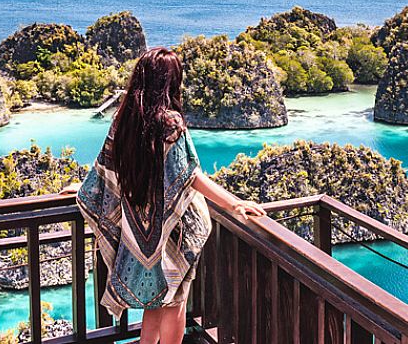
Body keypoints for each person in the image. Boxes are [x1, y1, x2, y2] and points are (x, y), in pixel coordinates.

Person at [61, 47, 265, 344]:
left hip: (140, 228)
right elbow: (190, 176)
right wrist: (235, 203)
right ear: (170, 81)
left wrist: (81, 189)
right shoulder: (170, 122)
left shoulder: (123, 119)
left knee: (155, 301)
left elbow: (105, 169)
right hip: (175, 230)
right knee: (175, 300)